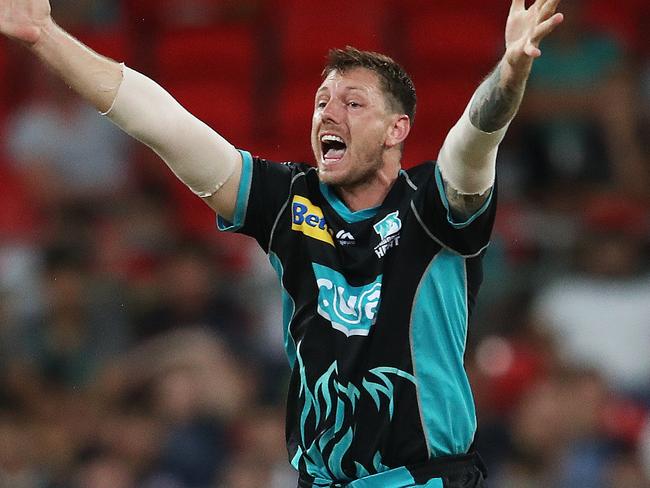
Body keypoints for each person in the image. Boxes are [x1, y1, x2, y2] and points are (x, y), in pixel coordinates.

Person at [0, 0, 564, 486]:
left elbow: (473, 142)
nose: (328, 113)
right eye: (321, 101)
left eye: (353, 102)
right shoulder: (289, 203)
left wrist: (510, 72)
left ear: (397, 130)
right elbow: (164, 123)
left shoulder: (432, 204)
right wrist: (45, 36)